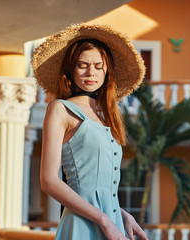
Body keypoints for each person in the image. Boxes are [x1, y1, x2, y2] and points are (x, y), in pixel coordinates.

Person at [31, 23, 148, 240]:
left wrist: (122, 216)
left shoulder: (105, 118)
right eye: (82, 65)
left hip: (111, 224)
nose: (90, 72)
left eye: (98, 66)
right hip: (83, 226)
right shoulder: (60, 109)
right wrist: (104, 221)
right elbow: (49, 181)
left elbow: (99, 190)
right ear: (70, 70)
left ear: (107, 71)